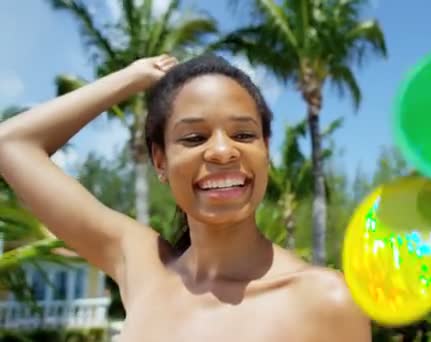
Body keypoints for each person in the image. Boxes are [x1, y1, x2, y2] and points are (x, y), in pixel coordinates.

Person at [0, 54, 371, 341]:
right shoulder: (144, 269)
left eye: (244, 135)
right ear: (160, 160)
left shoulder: (325, 299)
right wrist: (134, 77)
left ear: (266, 149)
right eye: (194, 138)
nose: (223, 152)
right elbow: (11, 143)